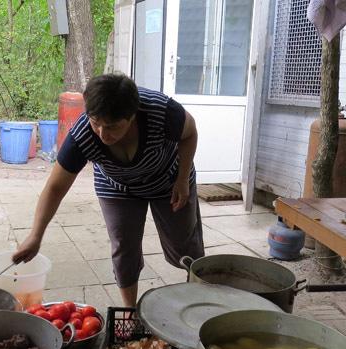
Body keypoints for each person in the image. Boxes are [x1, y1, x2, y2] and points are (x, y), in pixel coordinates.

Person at [11, 73, 205, 307]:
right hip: (117, 186)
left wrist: (182, 179)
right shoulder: (83, 135)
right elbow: (55, 188)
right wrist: (35, 235)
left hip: (169, 179)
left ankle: (198, 302)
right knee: (124, 248)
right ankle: (129, 312)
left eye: (112, 126)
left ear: (132, 116)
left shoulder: (161, 111)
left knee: (184, 247)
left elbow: (190, 133)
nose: (102, 134)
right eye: (96, 123)